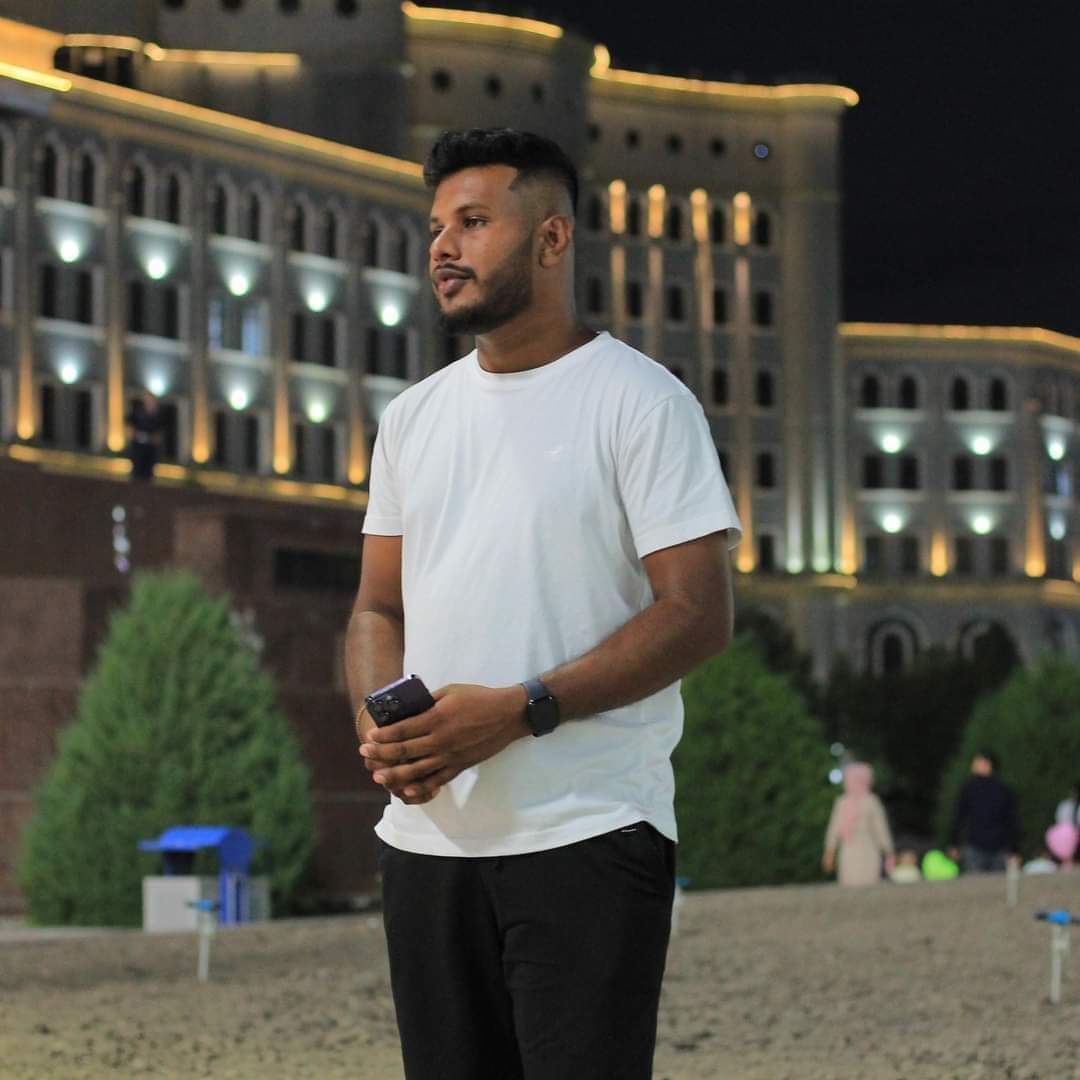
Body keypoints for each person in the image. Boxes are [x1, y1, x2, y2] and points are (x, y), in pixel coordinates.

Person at [345, 128, 741, 1080]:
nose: (443, 248)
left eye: (473, 222)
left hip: (588, 833)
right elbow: (376, 609)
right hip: (426, 842)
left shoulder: (642, 403)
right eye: (436, 228)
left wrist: (522, 709)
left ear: (552, 238)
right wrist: (379, 720)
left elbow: (698, 613)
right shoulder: (412, 419)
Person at [947, 749, 1020, 873]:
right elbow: (959, 816)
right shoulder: (970, 788)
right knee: (982, 882)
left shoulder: (1002, 790)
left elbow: (1011, 821)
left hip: (996, 847)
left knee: (986, 882)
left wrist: (1014, 850)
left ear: (988, 764)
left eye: (978, 762)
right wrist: (954, 843)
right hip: (977, 846)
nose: (973, 766)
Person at [822, 762, 895, 886]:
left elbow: (834, 830)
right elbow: (881, 829)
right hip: (865, 849)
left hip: (855, 849)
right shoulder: (870, 801)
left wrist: (830, 851)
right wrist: (889, 850)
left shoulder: (845, 802)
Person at [125, 391, 162, 480]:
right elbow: (129, 424)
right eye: (147, 400)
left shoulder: (157, 414)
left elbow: (159, 431)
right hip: (138, 446)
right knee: (137, 469)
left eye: (151, 400)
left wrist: (155, 439)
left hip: (150, 447)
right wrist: (132, 434)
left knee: (148, 471)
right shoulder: (137, 412)